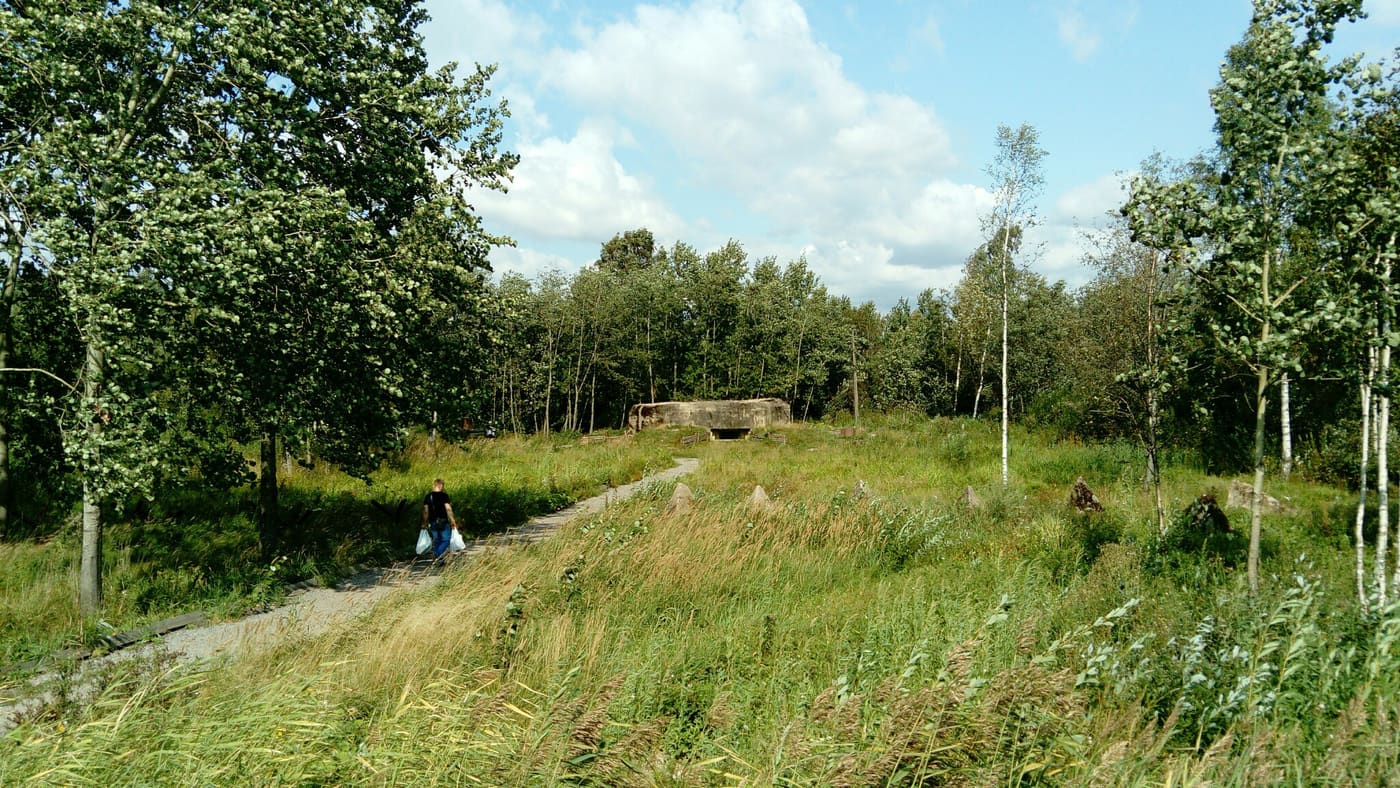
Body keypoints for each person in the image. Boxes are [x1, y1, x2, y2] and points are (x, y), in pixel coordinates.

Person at [422, 478, 458, 558]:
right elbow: (448, 509)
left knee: (437, 540)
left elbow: (426, 511)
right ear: (441, 485)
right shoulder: (444, 496)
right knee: (446, 540)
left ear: (434, 485)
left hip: (433, 522)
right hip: (443, 521)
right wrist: (452, 520)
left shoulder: (428, 496)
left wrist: (424, 523)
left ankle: (438, 560)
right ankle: (437, 554)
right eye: (443, 485)